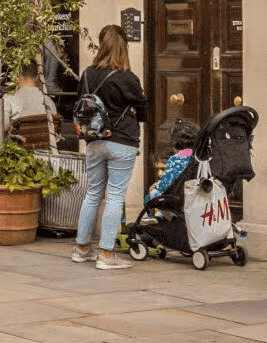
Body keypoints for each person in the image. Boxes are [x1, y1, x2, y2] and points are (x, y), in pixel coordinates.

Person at [73, 23, 149, 270]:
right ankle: (106, 254)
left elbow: (78, 104)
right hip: (122, 141)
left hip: (94, 140)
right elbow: (143, 107)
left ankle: (81, 248)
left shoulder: (87, 74)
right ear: (123, 48)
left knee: (93, 192)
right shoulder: (126, 77)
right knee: (115, 195)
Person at [148, 118, 199, 203]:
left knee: (152, 192)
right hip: (192, 195)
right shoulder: (197, 157)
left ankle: (158, 214)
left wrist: (157, 187)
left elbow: (166, 183)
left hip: (175, 198)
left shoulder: (176, 159)